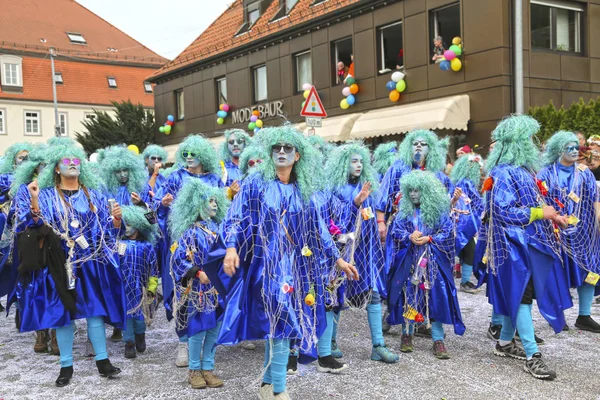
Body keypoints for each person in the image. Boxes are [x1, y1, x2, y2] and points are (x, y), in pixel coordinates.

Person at [203, 126, 358, 400]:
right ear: (270, 152)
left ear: (298, 155)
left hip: (297, 269)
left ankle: (266, 385)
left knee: (281, 325)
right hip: (267, 268)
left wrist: (338, 259)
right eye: (277, 148)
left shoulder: (303, 190)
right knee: (283, 321)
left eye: (288, 148)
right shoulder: (255, 183)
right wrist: (230, 247)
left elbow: (318, 228)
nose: (282, 152)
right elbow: (237, 217)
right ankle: (279, 390)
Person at [17, 140, 125, 387]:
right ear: (56, 168)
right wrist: (33, 200)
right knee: (63, 314)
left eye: (76, 160)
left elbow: (107, 229)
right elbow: (34, 226)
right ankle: (66, 365)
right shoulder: (45, 196)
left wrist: (118, 221)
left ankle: (103, 361)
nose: (73, 164)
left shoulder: (93, 195)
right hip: (59, 263)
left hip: (90, 263)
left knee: (94, 311)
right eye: (67, 161)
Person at [483, 115, 572, 380]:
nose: (532, 143)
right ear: (516, 142)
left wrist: (554, 216)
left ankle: (504, 343)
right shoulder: (502, 172)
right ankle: (533, 355)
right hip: (511, 248)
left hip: (529, 245)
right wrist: (540, 213)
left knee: (522, 294)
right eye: (527, 138)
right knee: (521, 294)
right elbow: (504, 211)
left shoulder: (524, 171)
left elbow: (536, 205)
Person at [322, 142, 399, 365]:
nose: (359, 164)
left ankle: (378, 345)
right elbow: (333, 224)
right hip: (341, 253)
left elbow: (371, 218)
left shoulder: (368, 186)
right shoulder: (333, 189)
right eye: (354, 160)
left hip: (365, 252)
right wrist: (356, 202)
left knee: (373, 294)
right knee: (336, 296)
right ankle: (331, 343)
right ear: (342, 164)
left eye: (361, 160)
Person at [154, 134, 223, 368]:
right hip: (182, 243)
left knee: (210, 292)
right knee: (183, 293)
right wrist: (162, 204)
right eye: (185, 154)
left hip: (210, 243)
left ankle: (207, 348)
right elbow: (157, 211)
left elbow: (221, 208)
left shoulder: (214, 178)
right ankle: (184, 343)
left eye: (194, 154)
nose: (190, 158)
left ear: (204, 155)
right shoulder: (175, 177)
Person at [387, 170, 465, 359]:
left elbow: (447, 232)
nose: (413, 194)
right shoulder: (405, 212)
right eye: (410, 191)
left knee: (435, 297)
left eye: (417, 190)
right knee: (410, 296)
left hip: (433, 263)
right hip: (411, 263)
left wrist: (430, 238)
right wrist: (408, 236)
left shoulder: (438, 212)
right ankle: (407, 334)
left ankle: (438, 339)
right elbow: (396, 231)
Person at [537, 131, 600, 333]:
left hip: (585, 231)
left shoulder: (584, 172)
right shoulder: (545, 173)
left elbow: (595, 199)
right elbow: (539, 200)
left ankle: (584, 315)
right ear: (558, 150)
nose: (574, 151)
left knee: (589, 269)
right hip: (555, 231)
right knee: (557, 272)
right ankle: (558, 315)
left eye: (576, 147)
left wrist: (598, 220)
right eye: (569, 148)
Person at [169, 180, 229, 389]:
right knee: (198, 330)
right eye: (209, 200)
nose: (214, 204)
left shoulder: (220, 230)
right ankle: (194, 370)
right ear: (196, 204)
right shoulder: (190, 232)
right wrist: (197, 272)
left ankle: (208, 368)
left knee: (214, 329)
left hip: (218, 290)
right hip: (198, 291)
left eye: (215, 200)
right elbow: (178, 259)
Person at [99, 145, 151, 342]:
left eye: (125, 170)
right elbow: (101, 220)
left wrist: (142, 204)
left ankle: (137, 327)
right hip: (115, 244)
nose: (122, 175)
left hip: (138, 247)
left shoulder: (143, 188)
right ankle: (117, 325)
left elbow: (154, 221)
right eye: (118, 171)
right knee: (115, 285)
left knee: (138, 287)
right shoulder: (106, 191)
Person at [5, 143, 54, 352]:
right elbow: (17, 217)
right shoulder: (24, 191)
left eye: (47, 165)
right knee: (33, 289)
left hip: (53, 245)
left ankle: (56, 332)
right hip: (31, 247)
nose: (43, 169)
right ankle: (40, 334)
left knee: (55, 288)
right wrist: (34, 217)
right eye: (40, 166)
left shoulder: (55, 189)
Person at [118, 205, 160, 359]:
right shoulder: (120, 245)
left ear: (138, 226)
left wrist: (152, 287)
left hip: (141, 288)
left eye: (129, 224)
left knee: (141, 316)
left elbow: (153, 267)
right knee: (126, 315)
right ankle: (129, 342)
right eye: (125, 224)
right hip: (124, 288)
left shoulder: (147, 246)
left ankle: (140, 335)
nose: (126, 227)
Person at [0, 142, 32, 311]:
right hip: (5, 223)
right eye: (21, 157)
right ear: (13, 159)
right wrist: (6, 196)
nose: (24, 160)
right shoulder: (4, 177)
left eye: (27, 157)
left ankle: (22, 303)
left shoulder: (34, 177)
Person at [450, 153, 484, 294]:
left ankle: (463, 280)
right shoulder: (467, 182)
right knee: (470, 250)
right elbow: (476, 202)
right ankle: (464, 282)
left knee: (465, 250)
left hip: (459, 221)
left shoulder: (458, 181)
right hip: (464, 222)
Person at [219, 129, 251, 196]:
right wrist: (230, 193)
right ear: (226, 146)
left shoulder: (254, 166)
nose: (235, 144)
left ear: (245, 144)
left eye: (239, 141)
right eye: (231, 142)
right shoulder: (221, 168)